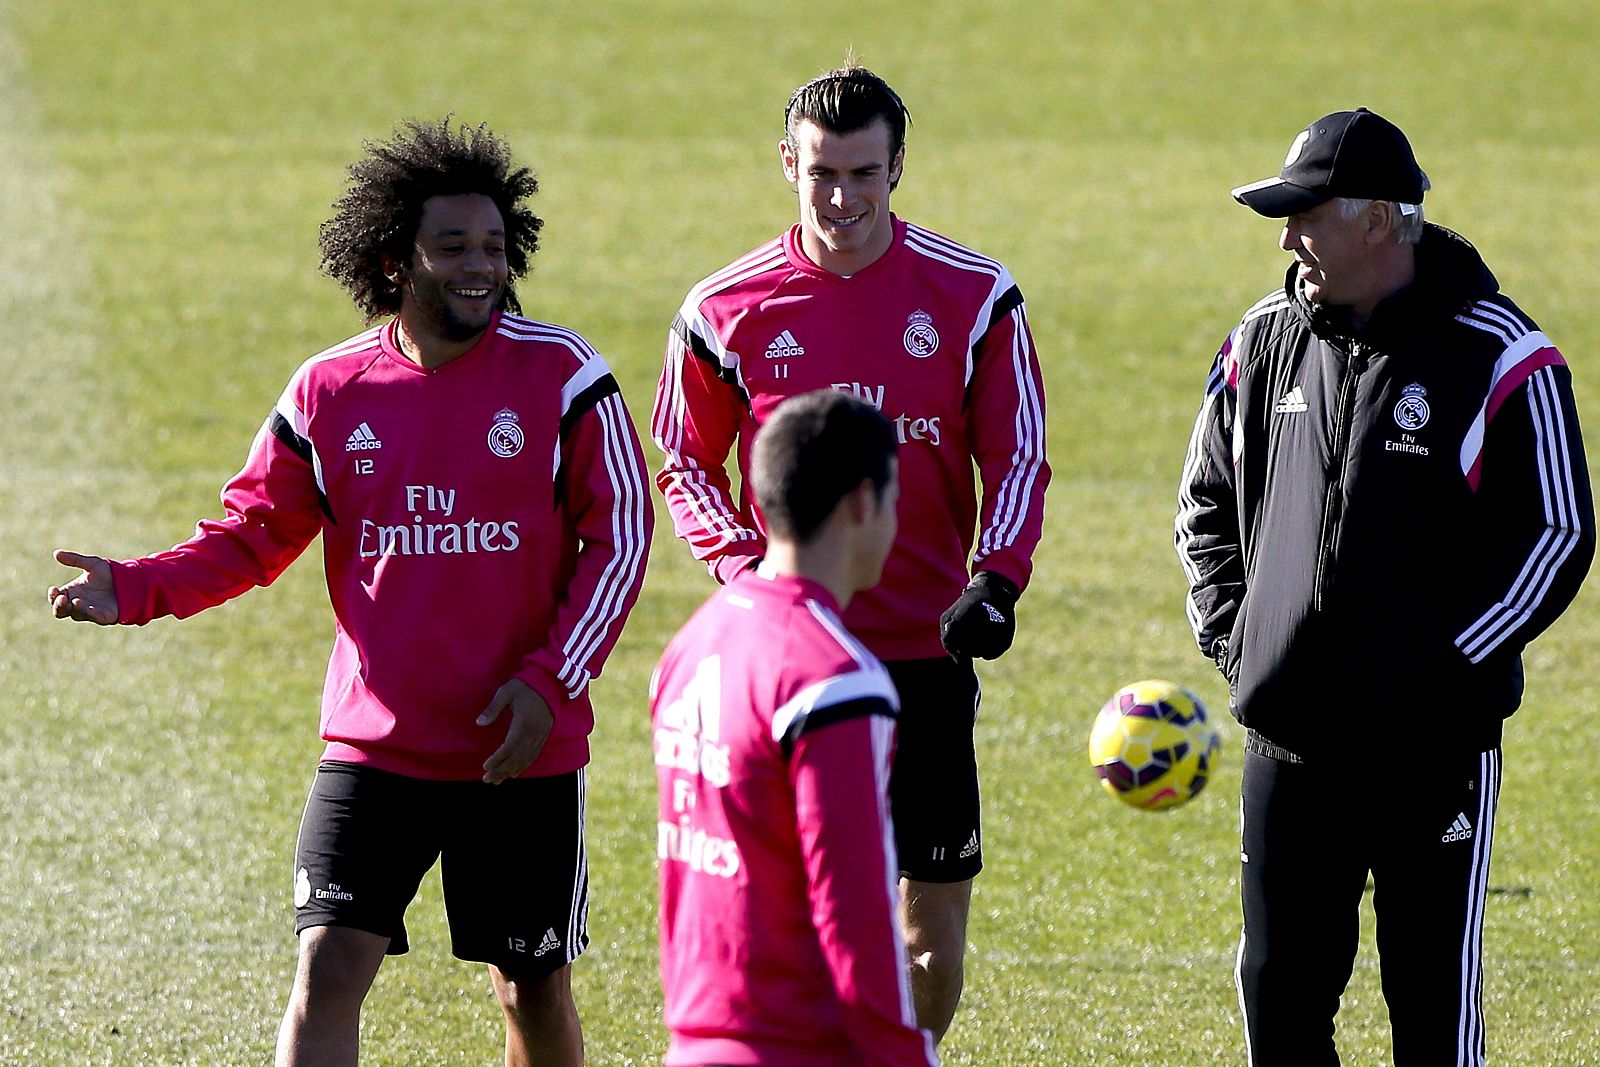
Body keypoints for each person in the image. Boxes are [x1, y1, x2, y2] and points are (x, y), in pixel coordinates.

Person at [47, 117, 653, 1067]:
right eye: (451, 247)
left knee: (531, 988)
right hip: (377, 749)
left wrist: (550, 682)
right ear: (393, 259)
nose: (478, 267)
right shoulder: (330, 391)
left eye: (493, 247)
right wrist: (136, 588)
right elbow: (252, 535)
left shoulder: (563, 375)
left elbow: (621, 535)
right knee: (327, 966)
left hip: (520, 750)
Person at [1176, 107, 1594, 1065]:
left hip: (1429, 750)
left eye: (1305, 215)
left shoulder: (1502, 355)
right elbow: (1204, 503)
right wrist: (1239, 638)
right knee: (1279, 1009)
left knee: (1431, 1014)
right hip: (1289, 742)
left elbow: (1560, 532)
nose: (1286, 239)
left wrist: (1445, 668)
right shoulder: (1264, 339)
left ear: (1377, 221)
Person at [651, 64, 1049, 1042]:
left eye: (863, 173)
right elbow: (684, 461)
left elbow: (1018, 454)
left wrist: (995, 579)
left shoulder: (974, 294)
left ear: (898, 167)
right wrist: (749, 579)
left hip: (923, 657)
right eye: (821, 172)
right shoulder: (724, 309)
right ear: (787, 162)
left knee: (929, 938)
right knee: (784, 920)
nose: (841, 197)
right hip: (782, 666)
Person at [652, 389, 939, 1067]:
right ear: (863, 502)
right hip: (800, 1047)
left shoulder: (696, 641)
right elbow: (856, 908)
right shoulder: (834, 677)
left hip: (697, 1040)